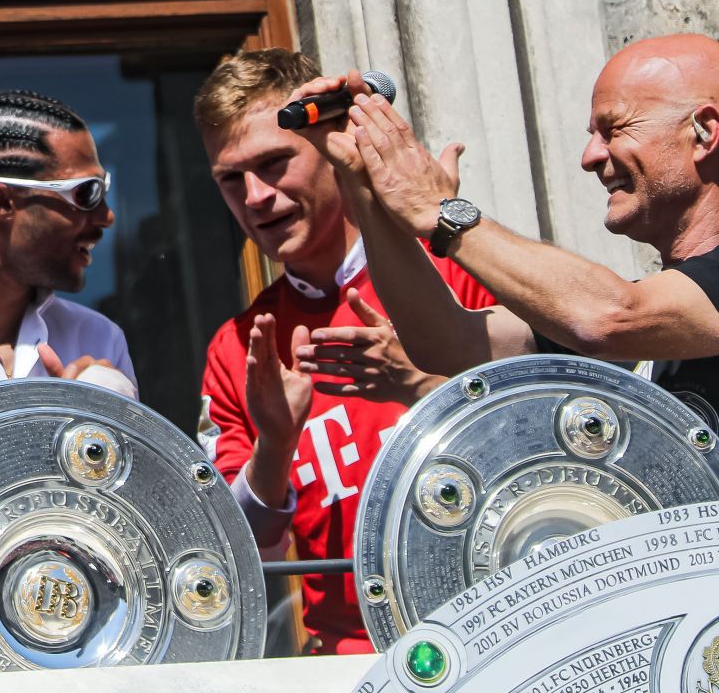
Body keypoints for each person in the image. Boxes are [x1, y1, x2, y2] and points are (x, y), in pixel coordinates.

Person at [194, 48, 493, 654]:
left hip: (491, 635)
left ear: (332, 147)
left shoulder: (456, 269)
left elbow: (555, 443)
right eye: (231, 178)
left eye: (275, 163)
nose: (255, 197)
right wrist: (274, 448)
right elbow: (234, 559)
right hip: (349, 671)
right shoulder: (238, 347)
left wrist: (424, 385)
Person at [295, 35, 719, 419]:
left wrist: (442, 211)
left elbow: (606, 318)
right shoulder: (656, 311)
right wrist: (362, 182)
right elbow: (449, 341)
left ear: (705, 132)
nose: (589, 156)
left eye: (614, 129)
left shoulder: (624, 312)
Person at [0, 89, 138, 396]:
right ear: (0, 202)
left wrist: (111, 422)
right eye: (86, 193)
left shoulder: (98, 339)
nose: (107, 215)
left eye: (103, 188)